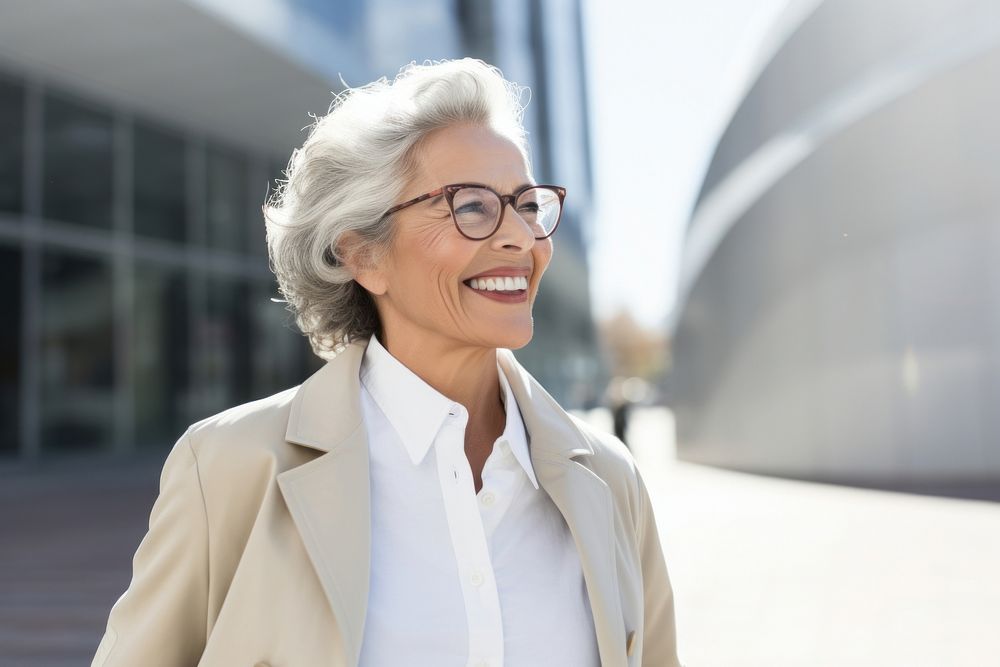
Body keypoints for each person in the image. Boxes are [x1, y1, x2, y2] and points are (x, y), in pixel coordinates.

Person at [92, 58, 682, 667]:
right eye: (473, 206)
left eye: (527, 205)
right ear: (364, 256)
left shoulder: (610, 481)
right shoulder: (231, 466)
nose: (522, 238)